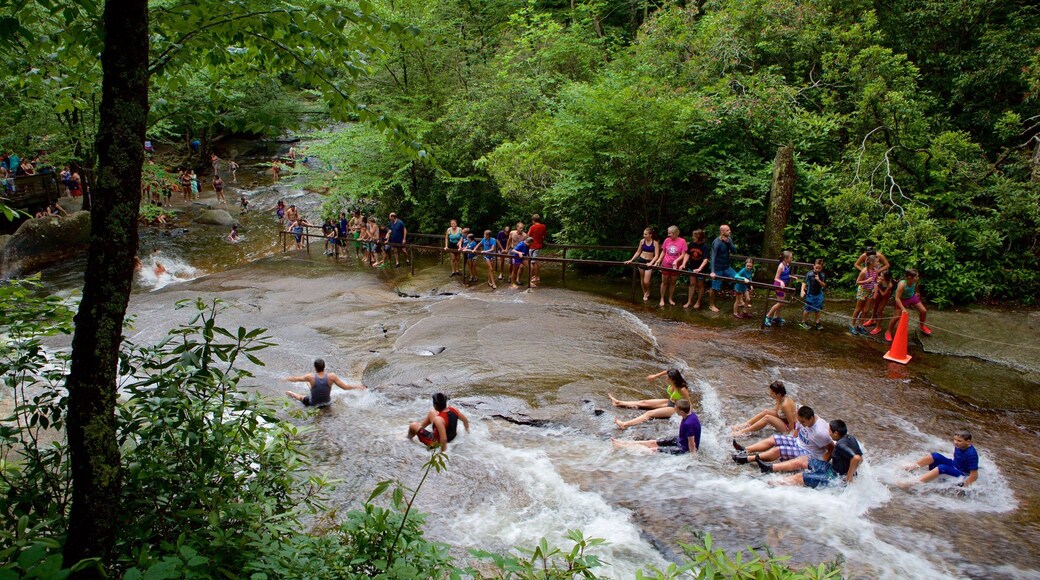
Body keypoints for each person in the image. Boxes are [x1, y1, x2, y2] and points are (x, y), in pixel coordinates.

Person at [732, 406, 833, 471]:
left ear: (811, 419)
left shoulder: (820, 432)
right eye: (800, 421)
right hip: (799, 441)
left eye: (803, 422)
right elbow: (797, 428)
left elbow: (831, 449)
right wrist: (790, 440)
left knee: (779, 450)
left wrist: (820, 464)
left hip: (809, 452)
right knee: (774, 439)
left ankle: (748, 459)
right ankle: (745, 450)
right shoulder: (805, 417)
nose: (802, 424)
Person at [769, 420, 864, 488]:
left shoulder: (840, 445)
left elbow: (857, 458)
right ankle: (770, 467)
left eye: (829, 431)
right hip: (830, 469)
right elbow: (861, 457)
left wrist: (849, 478)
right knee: (802, 460)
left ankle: (769, 484)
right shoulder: (851, 438)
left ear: (836, 433)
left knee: (799, 477)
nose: (828, 433)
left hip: (833, 478)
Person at [610, 369, 693, 430]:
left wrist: (689, 417)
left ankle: (624, 424)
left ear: (674, 379)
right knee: (643, 402)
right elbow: (666, 371)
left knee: (649, 413)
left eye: (668, 378)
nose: (666, 379)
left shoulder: (682, 389)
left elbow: (688, 403)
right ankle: (618, 402)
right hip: (670, 401)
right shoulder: (673, 378)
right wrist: (655, 376)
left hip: (675, 408)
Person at [612, 399, 700, 456]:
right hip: (680, 440)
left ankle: (622, 447)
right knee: (652, 442)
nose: (674, 410)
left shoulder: (689, 424)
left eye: (676, 409)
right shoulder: (690, 414)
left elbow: (692, 444)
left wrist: (693, 458)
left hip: (683, 449)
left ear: (681, 411)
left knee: (653, 450)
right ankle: (624, 443)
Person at [903, 430, 979, 488]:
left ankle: (915, 482)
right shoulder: (959, 446)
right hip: (954, 465)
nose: (955, 442)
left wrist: (964, 487)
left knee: (942, 467)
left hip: (962, 474)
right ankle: (911, 467)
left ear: (968, 442)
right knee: (935, 455)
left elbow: (974, 475)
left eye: (959, 441)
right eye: (955, 439)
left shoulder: (971, 454)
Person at [284, 358, 366, 407]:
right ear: (324, 367)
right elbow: (345, 387)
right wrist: (358, 386)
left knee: (301, 397)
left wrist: (285, 379)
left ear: (315, 368)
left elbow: (295, 379)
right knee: (315, 387)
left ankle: (290, 392)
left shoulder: (310, 377)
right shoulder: (332, 377)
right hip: (327, 403)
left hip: (313, 404)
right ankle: (310, 386)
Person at [730, 381, 797, 438]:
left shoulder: (785, 404)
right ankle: (744, 425)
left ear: (778, 394)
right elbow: (776, 412)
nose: (770, 394)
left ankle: (743, 432)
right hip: (785, 421)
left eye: (772, 393)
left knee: (767, 418)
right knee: (766, 412)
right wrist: (775, 420)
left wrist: (789, 436)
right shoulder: (779, 398)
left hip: (791, 428)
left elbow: (791, 422)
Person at [885, 268, 932, 340]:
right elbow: (897, 298)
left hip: (911, 297)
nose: (918, 278)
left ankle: (922, 326)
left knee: (923, 311)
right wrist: (903, 309)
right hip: (901, 300)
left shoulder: (914, 281)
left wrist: (918, 292)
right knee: (896, 317)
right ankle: (888, 331)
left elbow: (916, 286)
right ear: (910, 278)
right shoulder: (902, 285)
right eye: (916, 276)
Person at [651, 225, 687, 307]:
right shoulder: (667, 240)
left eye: (670, 233)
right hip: (666, 264)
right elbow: (663, 251)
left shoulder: (682, 241)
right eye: (668, 233)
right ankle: (662, 298)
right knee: (664, 282)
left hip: (675, 266)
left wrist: (676, 260)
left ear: (675, 233)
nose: (668, 235)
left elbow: (683, 254)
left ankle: (670, 298)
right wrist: (659, 260)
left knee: (673, 282)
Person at [625, 228, 660, 302]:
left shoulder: (655, 243)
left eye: (645, 234)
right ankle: (645, 292)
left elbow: (656, 255)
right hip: (641, 260)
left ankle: (648, 290)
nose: (644, 235)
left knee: (646, 281)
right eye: (644, 234)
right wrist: (631, 260)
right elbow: (638, 252)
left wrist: (651, 262)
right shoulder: (642, 241)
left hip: (649, 261)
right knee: (642, 278)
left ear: (650, 235)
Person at [708, 224, 737, 312]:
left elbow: (734, 251)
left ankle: (740, 301)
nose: (730, 231)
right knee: (715, 287)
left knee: (738, 279)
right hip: (717, 268)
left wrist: (728, 243)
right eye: (728, 230)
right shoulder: (716, 242)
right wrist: (712, 271)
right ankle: (711, 305)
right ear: (722, 232)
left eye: (729, 230)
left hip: (727, 267)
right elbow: (713, 257)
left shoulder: (729, 239)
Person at [851, 255, 883, 334]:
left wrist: (879, 280)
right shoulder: (864, 271)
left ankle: (860, 325)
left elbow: (876, 280)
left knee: (866, 309)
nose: (879, 263)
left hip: (870, 291)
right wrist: (866, 281)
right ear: (871, 262)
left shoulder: (875, 270)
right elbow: (857, 282)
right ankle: (852, 325)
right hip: (863, 291)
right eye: (877, 262)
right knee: (858, 309)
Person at [764, 251, 795, 327]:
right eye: (791, 257)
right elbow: (776, 278)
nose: (792, 259)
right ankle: (768, 316)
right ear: (785, 258)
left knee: (781, 302)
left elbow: (785, 274)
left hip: (783, 286)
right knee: (779, 302)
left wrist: (791, 277)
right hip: (778, 286)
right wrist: (781, 282)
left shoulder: (787, 264)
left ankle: (776, 317)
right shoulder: (781, 266)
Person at [681, 229, 710, 309]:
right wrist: (683, 263)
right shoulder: (692, 244)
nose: (692, 237)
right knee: (692, 284)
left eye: (694, 236)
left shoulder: (704, 246)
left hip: (701, 268)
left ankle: (698, 301)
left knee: (700, 285)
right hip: (692, 266)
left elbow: (705, 259)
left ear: (698, 237)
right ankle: (689, 301)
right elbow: (687, 254)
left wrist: (699, 269)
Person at [799, 259, 827, 330]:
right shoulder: (809, 274)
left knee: (817, 309)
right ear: (813, 266)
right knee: (807, 309)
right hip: (810, 294)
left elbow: (824, 285)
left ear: (822, 268)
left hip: (819, 294)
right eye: (816, 268)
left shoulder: (822, 275)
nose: (817, 269)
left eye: (819, 268)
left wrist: (818, 280)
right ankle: (804, 321)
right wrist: (802, 290)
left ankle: (817, 322)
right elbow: (804, 282)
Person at [868, 270, 895, 335]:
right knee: (875, 307)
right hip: (879, 294)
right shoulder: (880, 280)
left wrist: (878, 286)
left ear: (886, 277)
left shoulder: (890, 284)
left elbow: (884, 294)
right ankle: (872, 320)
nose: (880, 277)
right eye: (880, 275)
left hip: (885, 296)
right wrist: (877, 285)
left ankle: (878, 327)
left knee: (880, 310)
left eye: (882, 276)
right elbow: (875, 287)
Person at [527, 214, 548, 286]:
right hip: (539, 245)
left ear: (533, 220)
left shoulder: (532, 227)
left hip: (533, 246)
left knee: (533, 262)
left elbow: (528, 236)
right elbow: (544, 235)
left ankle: (535, 277)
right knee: (536, 261)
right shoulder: (543, 226)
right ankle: (536, 276)